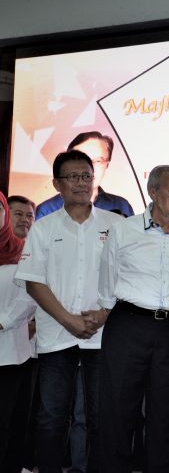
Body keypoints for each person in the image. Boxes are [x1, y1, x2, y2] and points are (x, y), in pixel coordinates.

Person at [14, 151, 122, 473]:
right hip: (57, 335)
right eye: (73, 177)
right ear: (57, 184)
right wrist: (69, 321)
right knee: (51, 417)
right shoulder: (43, 228)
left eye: (86, 176)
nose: (81, 183)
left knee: (102, 417)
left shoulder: (116, 225)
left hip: (103, 335)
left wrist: (103, 314)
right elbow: (33, 282)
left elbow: (127, 277)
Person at [98, 165, 169, 472]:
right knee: (117, 411)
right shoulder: (123, 230)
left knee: (165, 415)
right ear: (153, 191)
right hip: (129, 325)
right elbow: (107, 279)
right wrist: (106, 309)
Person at [0, 192, 37, 473]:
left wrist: (3, 322)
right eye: (18, 213)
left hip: (12, 353)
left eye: (29, 215)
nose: (25, 219)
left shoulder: (27, 253)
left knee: (9, 422)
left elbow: (29, 296)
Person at [36, 131, 134, 219]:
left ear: (107, 165)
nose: (90, 168)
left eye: (98, 161)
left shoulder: (122, 206)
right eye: (83, 160)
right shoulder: (46, 211)